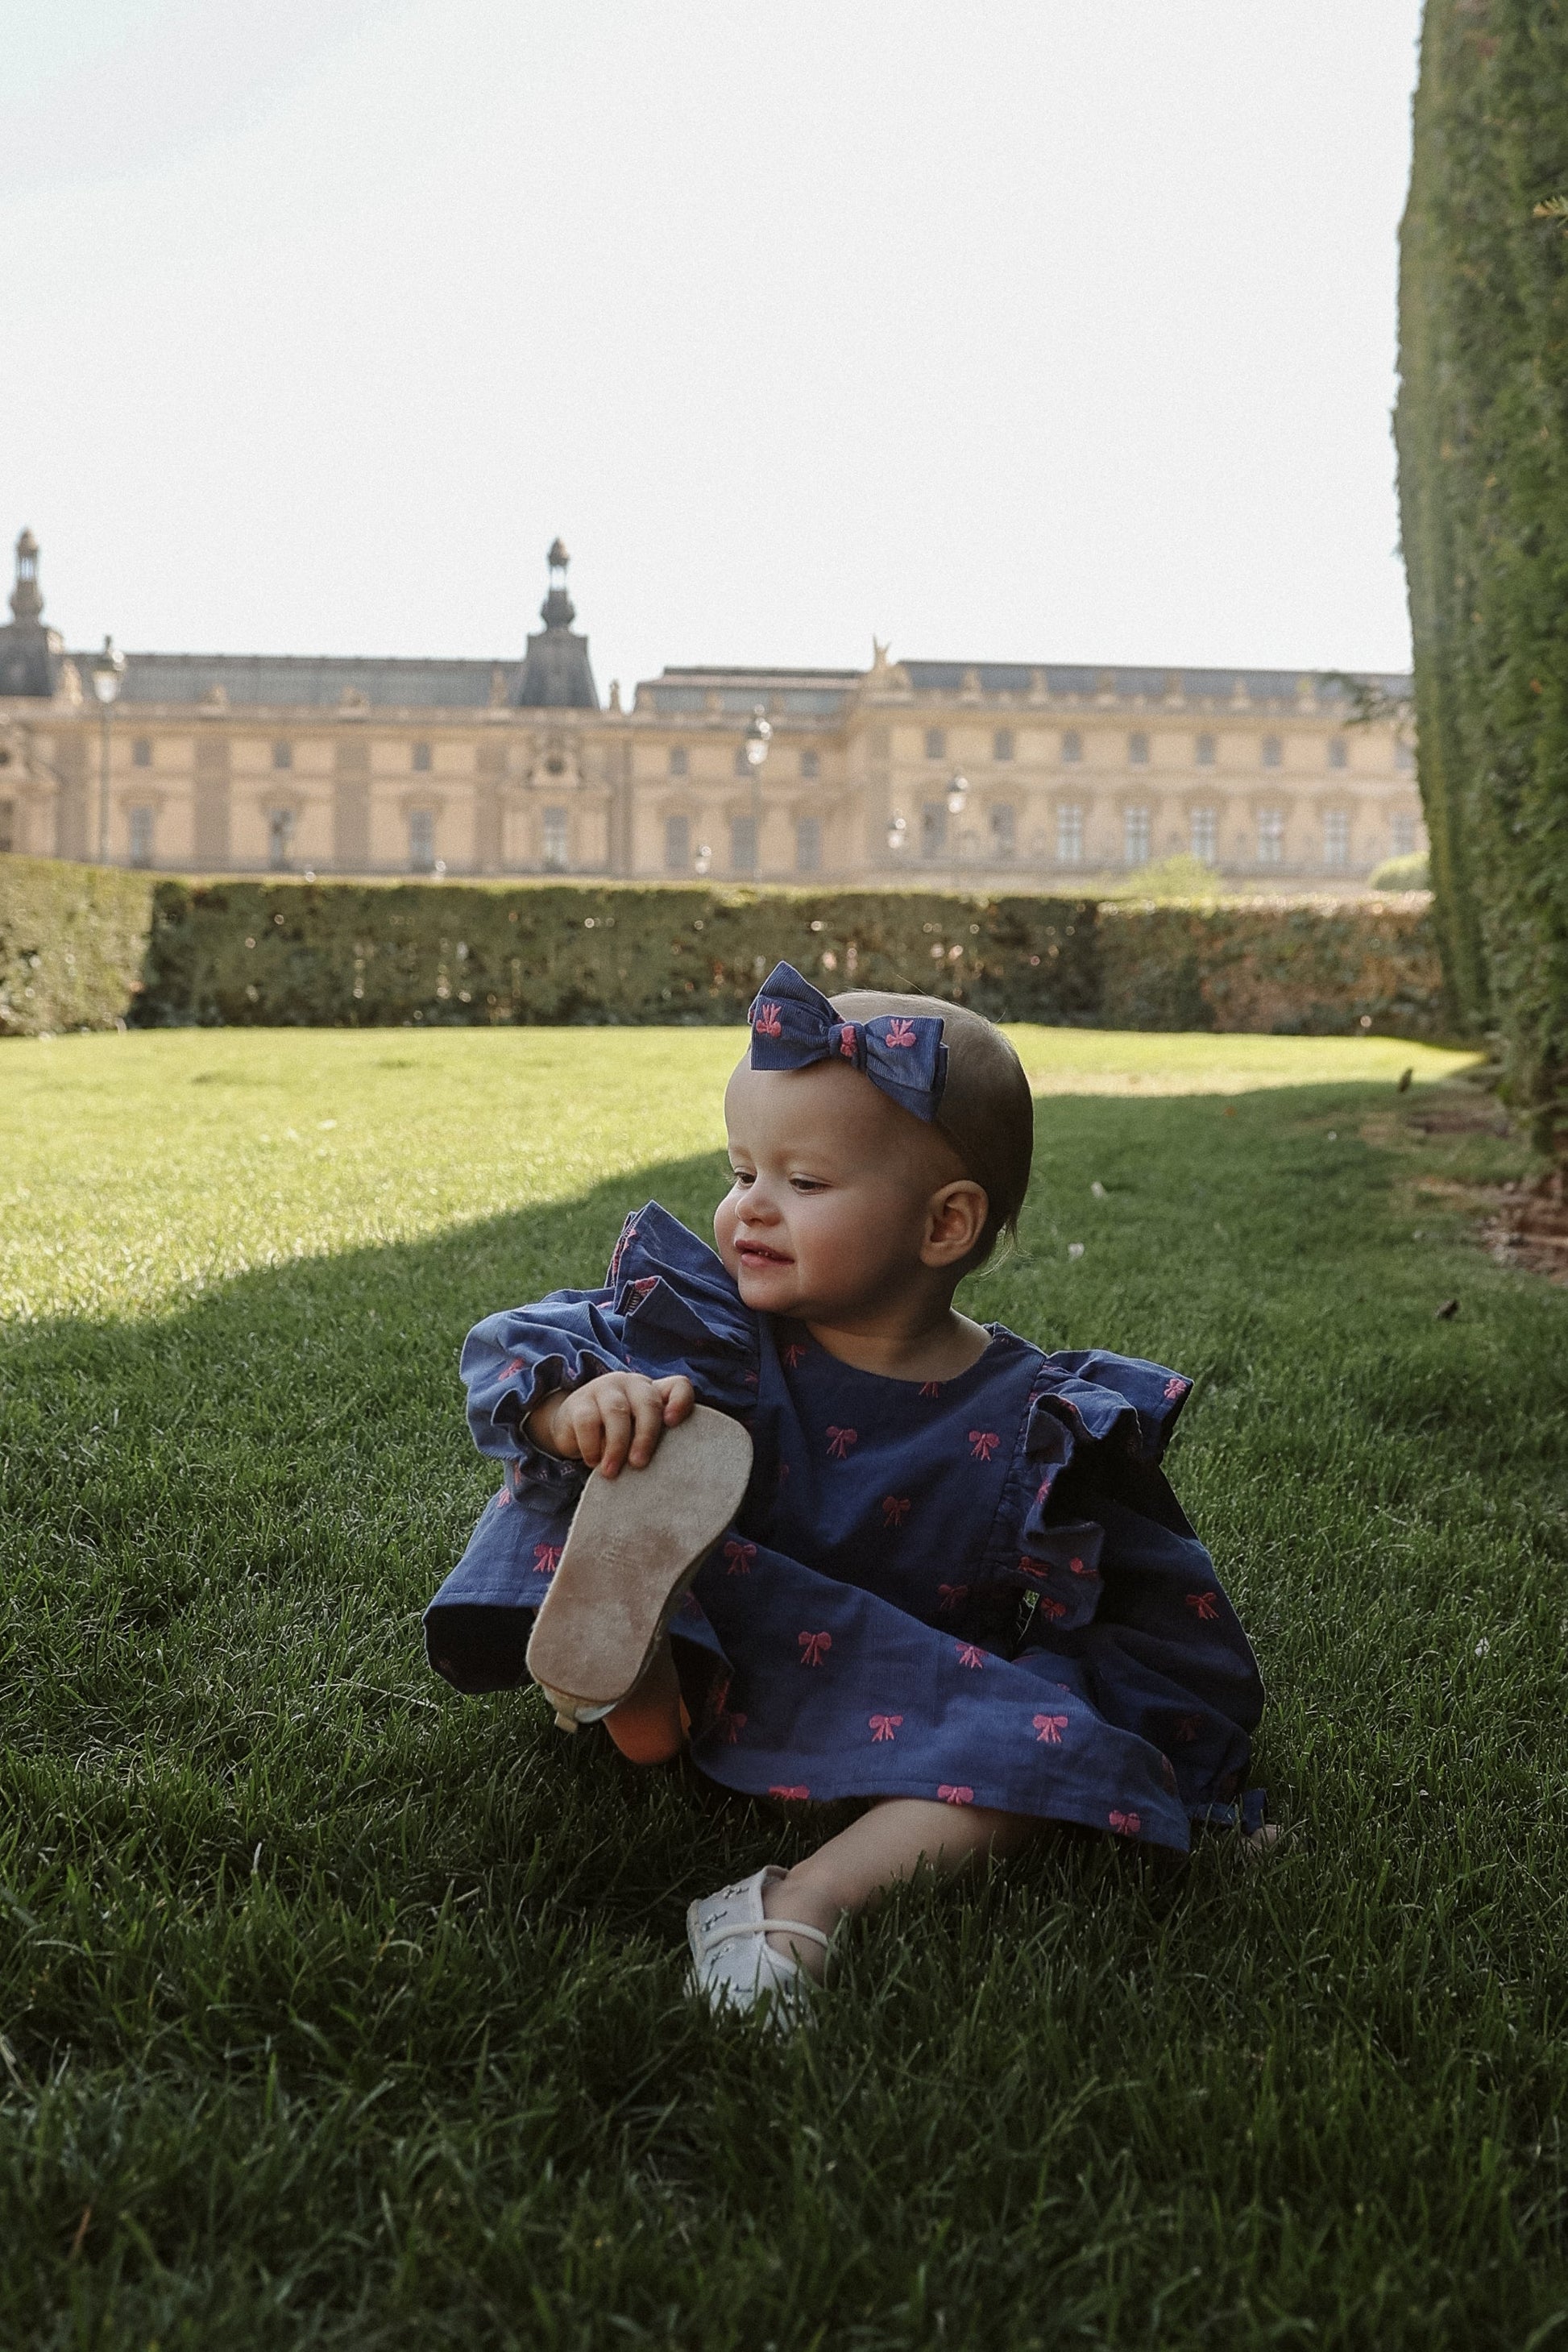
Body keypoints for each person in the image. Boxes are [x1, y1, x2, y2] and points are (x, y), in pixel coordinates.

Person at [425, 961, 1266, 2026]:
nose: (748, 1209)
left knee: (1053, 1732)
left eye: (804, 1184)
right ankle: (640, 1680)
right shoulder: (712, 1337)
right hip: (723, 1615)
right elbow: (514, 1342)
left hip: (898, 1680)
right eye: (741, 1172)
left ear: (944, 1225)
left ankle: (804, 1896)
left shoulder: (1035, 1423)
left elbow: (1146, 1603)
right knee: (594, 1470)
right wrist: (572, 1409)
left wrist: (1175, 1750)